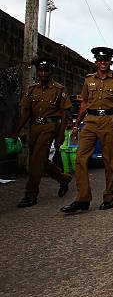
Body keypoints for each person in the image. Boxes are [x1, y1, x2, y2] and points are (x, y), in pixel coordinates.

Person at [61, 47, 113, 213]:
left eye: (106, 60)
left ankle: (109, 197)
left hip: (110, 121)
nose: (103, 63)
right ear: (96, 62)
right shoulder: (88, 80)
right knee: (80, 158)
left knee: (110, 161)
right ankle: (82, 199)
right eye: (99, 60)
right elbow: (84, 103)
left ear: (111, 62)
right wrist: (75, 125)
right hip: (90, 121)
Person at [10, 57, 72, 208]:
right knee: (40, 160)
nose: (43, 73)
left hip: (49, 128)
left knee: (36, 161)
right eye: (41, 71)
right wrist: (16, 131)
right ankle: (63, 178)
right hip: (34, 128)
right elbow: (25, 113)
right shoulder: (32, 90)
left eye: (46, 71)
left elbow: (64, 114)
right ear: (37, 72)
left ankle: (30, 194)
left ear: (51, 72)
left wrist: (60, 135)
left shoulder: (59, 90)